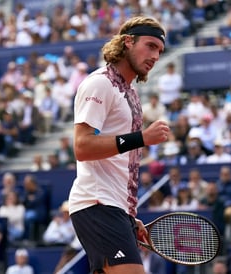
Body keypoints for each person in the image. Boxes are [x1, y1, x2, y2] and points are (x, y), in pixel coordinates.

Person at [68, 16, 169, 274]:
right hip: (96, 203)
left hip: (114, 207)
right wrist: (142, 138)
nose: (155, 56)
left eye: (159, 50)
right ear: (128, 42)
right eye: (150, 46)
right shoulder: (100, 83)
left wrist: (127, 216)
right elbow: (82, 147)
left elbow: (116, 161)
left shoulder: (130, 94)